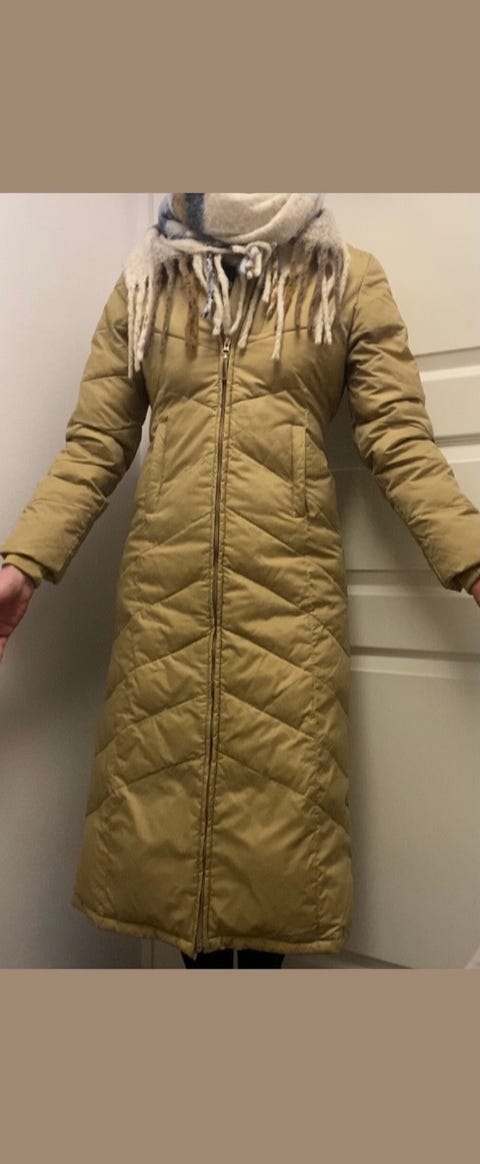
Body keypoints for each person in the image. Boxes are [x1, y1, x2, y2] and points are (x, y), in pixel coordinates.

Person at [1, 193, 479, 972]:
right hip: (164, 612)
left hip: (289, 615)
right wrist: (23, 564)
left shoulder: (344, 277)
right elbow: (93, 447)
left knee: (272, 867)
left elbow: (401, 444)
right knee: (166, 858)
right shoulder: (146, 284)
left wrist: (474, 559)